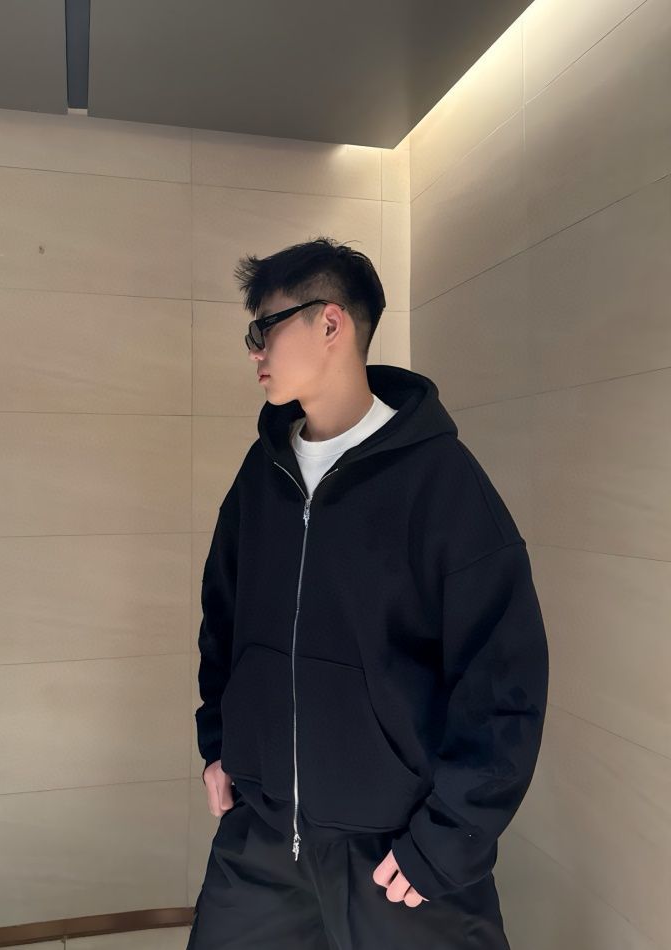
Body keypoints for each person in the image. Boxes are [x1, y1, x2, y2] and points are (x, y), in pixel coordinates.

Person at [187, 236, 549, 949]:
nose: (254, 350)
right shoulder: (262, 476)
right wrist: (221, 744)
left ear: (330, 323)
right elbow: (222, 624)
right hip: (262, 843)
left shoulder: (441, 482)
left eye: (264, 328)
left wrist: (446, 841)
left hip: (399, 855)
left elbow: (503, 682)